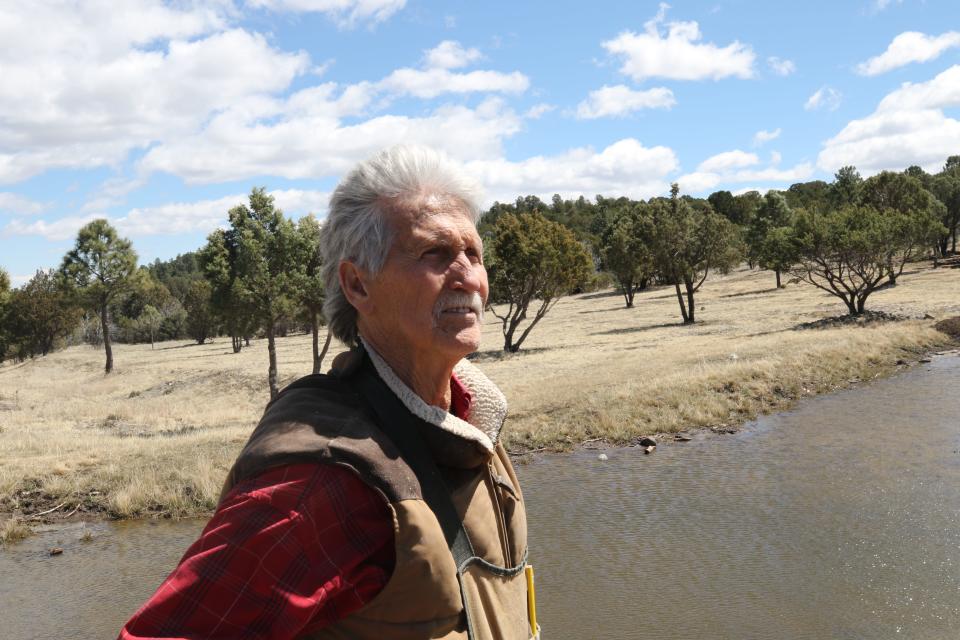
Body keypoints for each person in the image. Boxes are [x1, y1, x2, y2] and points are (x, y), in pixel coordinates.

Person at [119, 145, 538, 640]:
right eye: (436, 254)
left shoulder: (472, 427)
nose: (469, 277)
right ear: (358, 284)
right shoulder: (322, 482)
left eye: (473, 253)